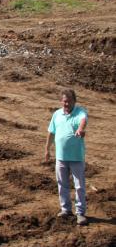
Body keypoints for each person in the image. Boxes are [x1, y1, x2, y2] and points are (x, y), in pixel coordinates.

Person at [44, 88, 88, 226]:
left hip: (76, 157)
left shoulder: (80, 111)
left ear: (74, 101)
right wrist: (47, 149)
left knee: (79, 186)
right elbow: (51, 133)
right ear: (61, 101)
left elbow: (83, 120)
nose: (66, 104)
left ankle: (80, 213)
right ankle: (66, 209)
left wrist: (80, 129)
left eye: (69, 101)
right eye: (64, 101)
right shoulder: (56, 114)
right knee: (62, 184)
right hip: (61, 157)